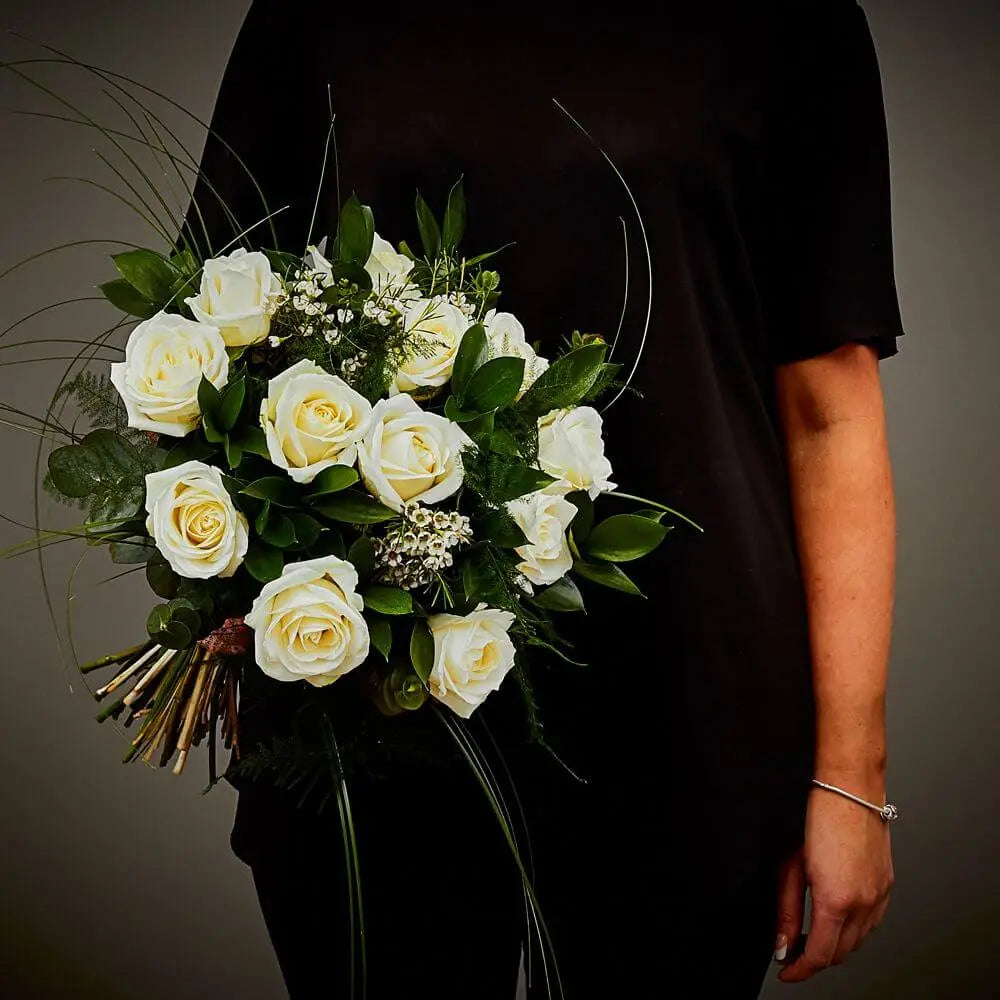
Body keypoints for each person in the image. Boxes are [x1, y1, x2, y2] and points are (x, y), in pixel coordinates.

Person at [188, 1, 904, 996]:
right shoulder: (316, 16)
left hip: (687, 690)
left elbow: (829, 412)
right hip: (366, 684)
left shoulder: (793, 25)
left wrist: (853, 778)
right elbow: (209, 340)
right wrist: (226, 588)